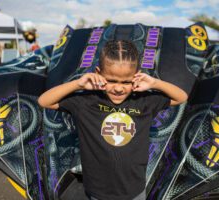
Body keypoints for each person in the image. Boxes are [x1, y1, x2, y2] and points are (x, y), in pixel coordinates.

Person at [38, 40, 188, 200]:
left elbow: (181, 97)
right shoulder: (86, 101)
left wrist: (154, 83)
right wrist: (77, 84)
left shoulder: (145, 101)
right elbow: (44, 101)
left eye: (126, 82)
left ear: (137, 76)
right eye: (112, 80)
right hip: (97, 190)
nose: (118, 88)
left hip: (134, 190)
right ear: (98, 73)